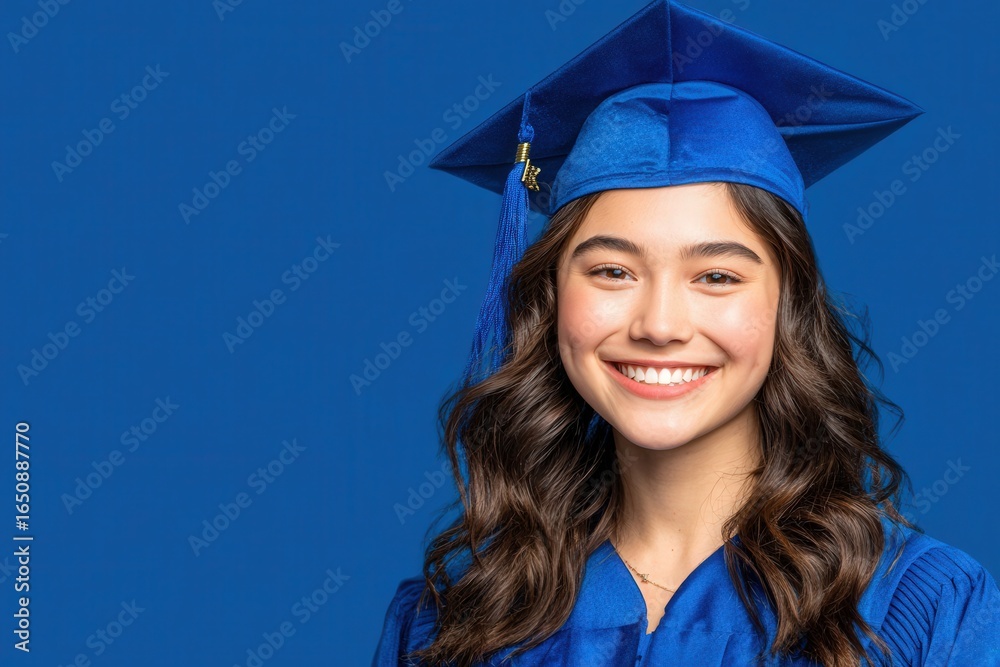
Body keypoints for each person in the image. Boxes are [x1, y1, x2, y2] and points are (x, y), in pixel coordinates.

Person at [372, 1, 1000, 665]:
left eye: (717, 276)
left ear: (787, 301)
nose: (660, 325)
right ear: (552, 297)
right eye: (613, 270)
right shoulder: (453, 623)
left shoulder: (915, 609)